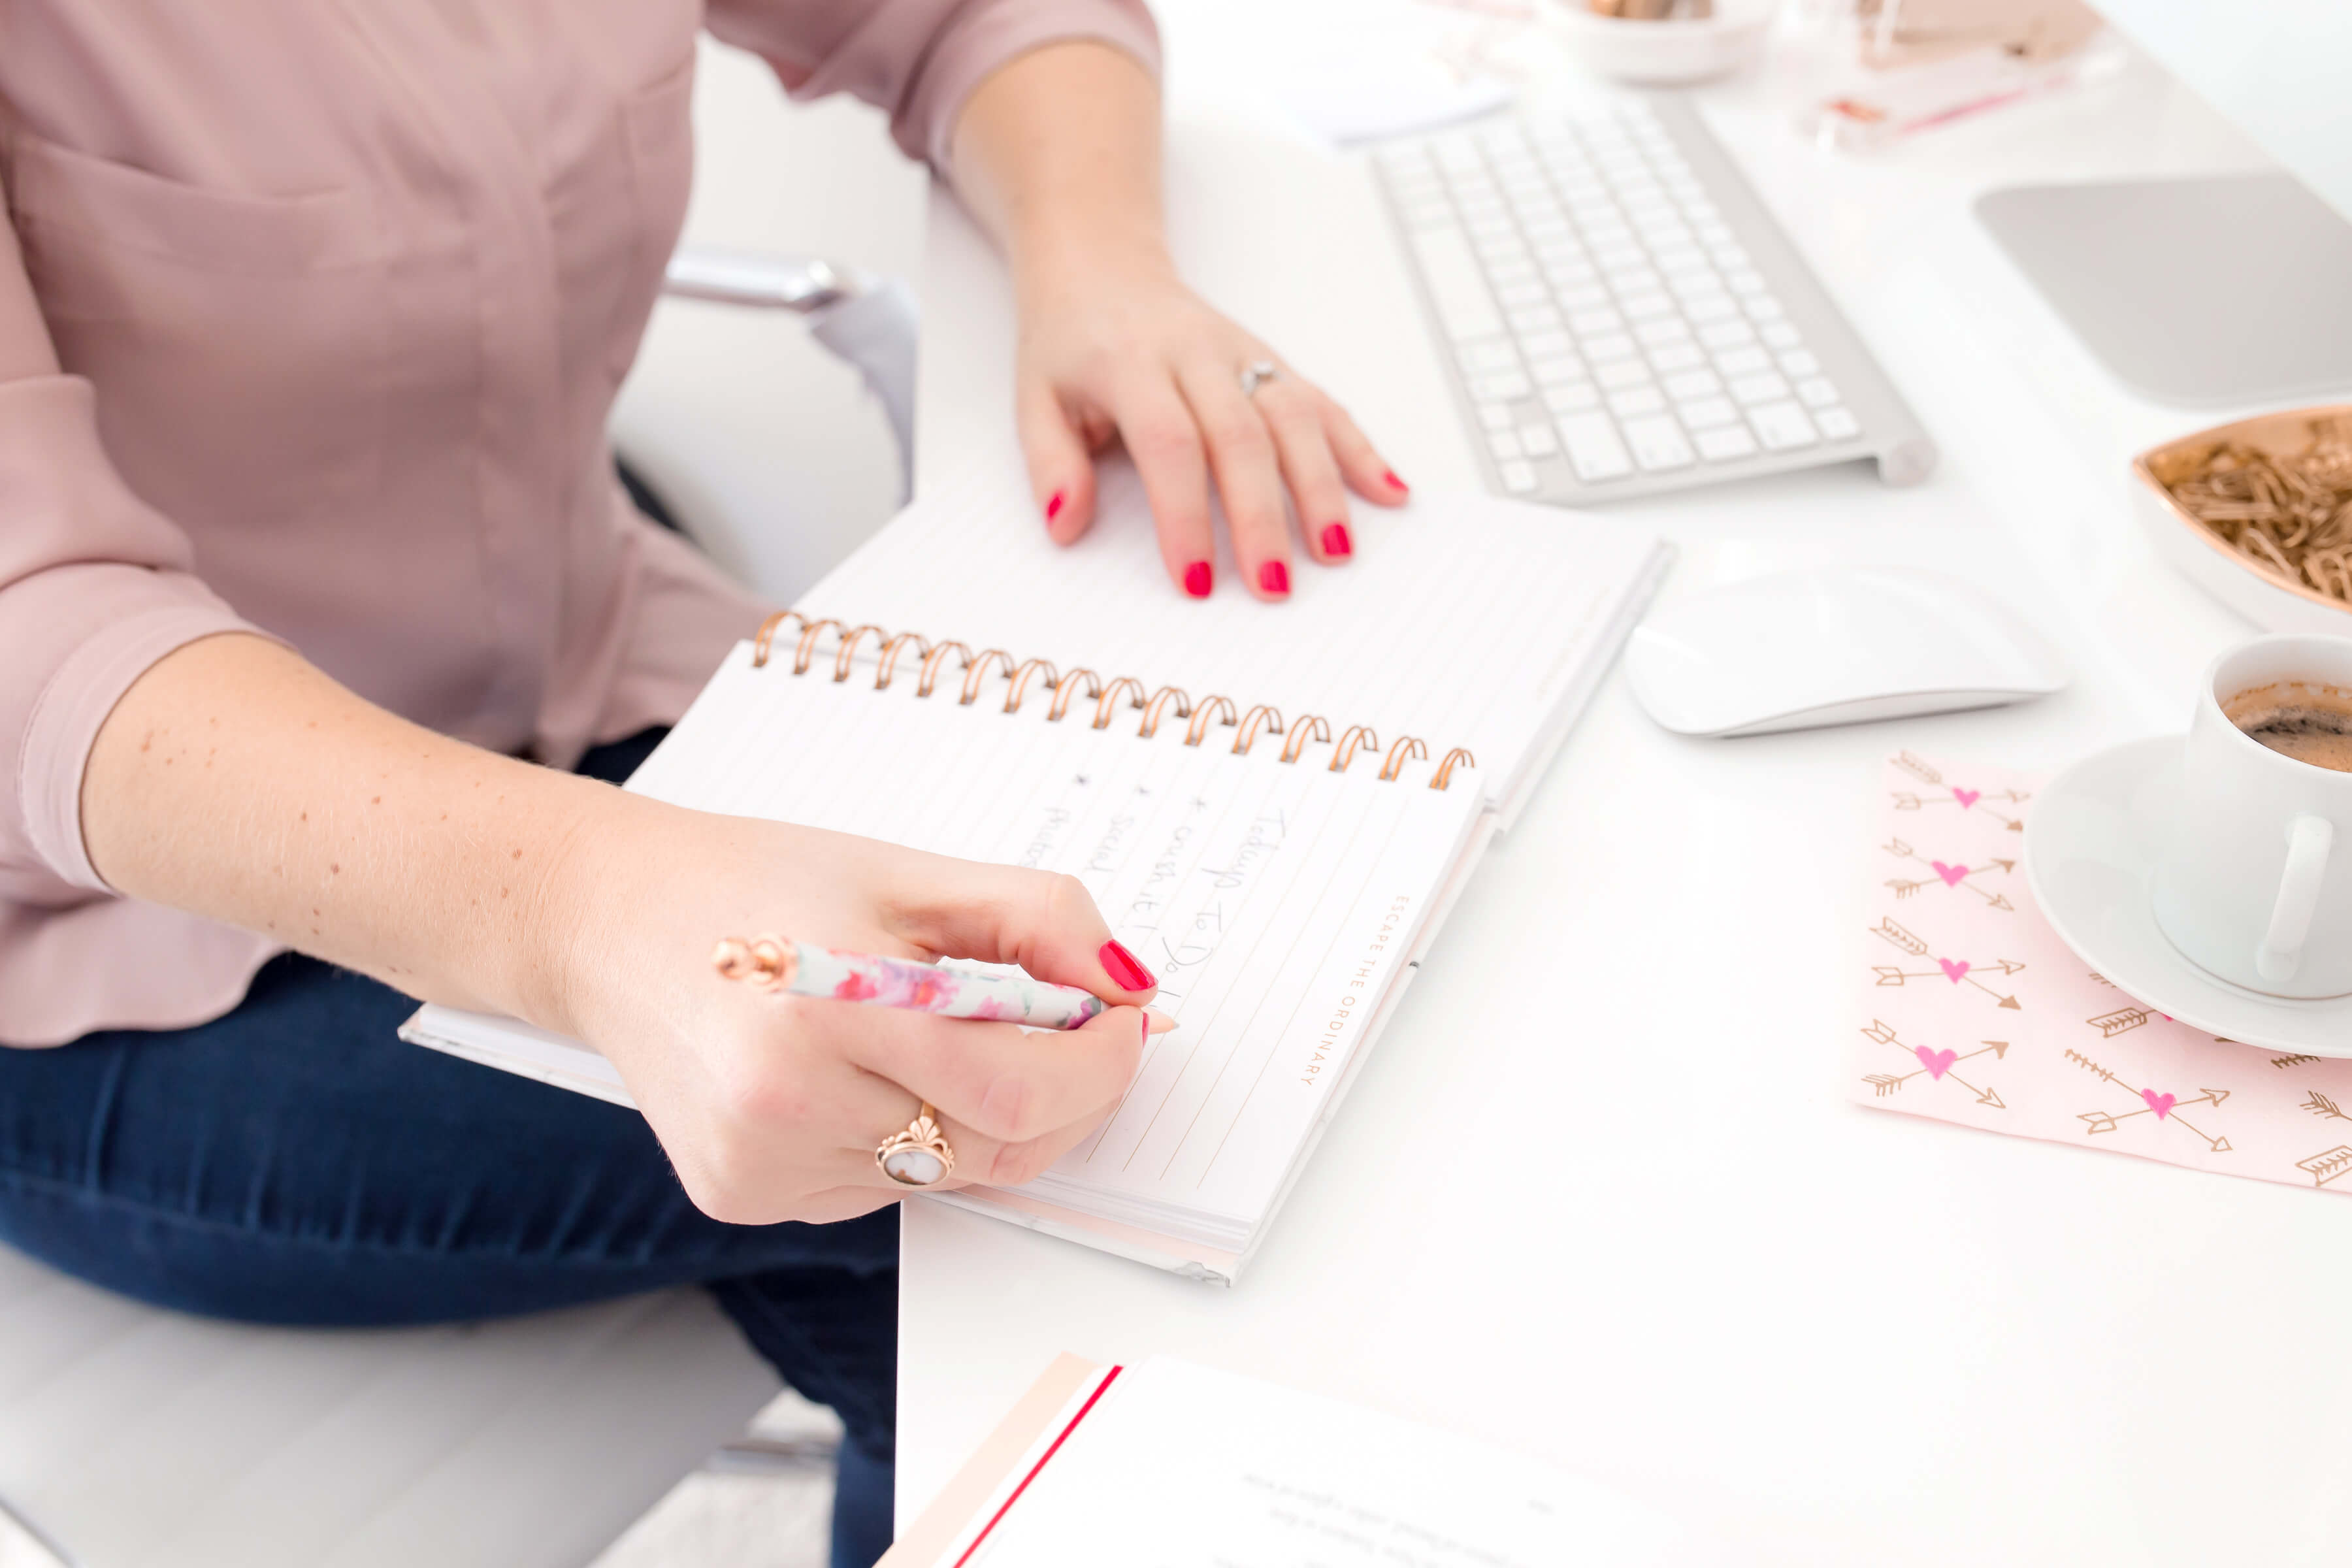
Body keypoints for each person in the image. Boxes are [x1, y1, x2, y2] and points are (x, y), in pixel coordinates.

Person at [0, 4, 1405, 1564]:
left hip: (582, 665)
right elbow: (28, 640)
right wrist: (589, 907)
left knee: (1102, 1026)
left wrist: (1101, 266)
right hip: (104, 942)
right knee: (983, 1202)